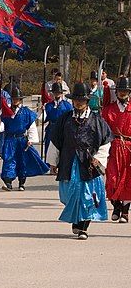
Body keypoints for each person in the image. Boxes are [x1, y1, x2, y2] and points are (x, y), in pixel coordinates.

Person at [46, 82, 113, 240]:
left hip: (88, 164)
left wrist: (98, 158)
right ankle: (77, 221)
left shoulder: (97, 120)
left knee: (87, 195)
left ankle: (83, 227)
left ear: (87, 101)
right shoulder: (65, 119)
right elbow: (55, 141)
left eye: (82, 100)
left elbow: (106, 141)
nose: (79, 102)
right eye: (76, 99)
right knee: (69, 194)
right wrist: (53, 162)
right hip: (69, 161)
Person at [0, 85, 49, 191]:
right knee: (9, 159)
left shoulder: (26, 112)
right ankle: (8, 181)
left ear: (20, 100)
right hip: (10, 139)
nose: (15, 101)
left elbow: (31, 125)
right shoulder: (5, 111)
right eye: (13, 99)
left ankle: (22, 182)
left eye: (17, 99)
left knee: (22, 160)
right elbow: (2, 126)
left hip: (21, 139)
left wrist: (31, 139)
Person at [102, 76, 131, 222]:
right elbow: (103, 131)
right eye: (120, 90)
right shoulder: (108, 110)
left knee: (128, 179)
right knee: (112, 178)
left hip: (129, 148)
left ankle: (125, 211)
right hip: (113, 147)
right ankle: (116, 205)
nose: (122, 93)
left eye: (125, 90)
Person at [42, 82, 73, 154]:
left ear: (62, 93)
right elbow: (45, 118)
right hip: (51, 129)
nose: (57, 94)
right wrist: (42, 111)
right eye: (55, 92)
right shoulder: (48, 105)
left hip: (63, 129)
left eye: (59, 92)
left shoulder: (67, 105)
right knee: (49, 150)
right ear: (53, 93)